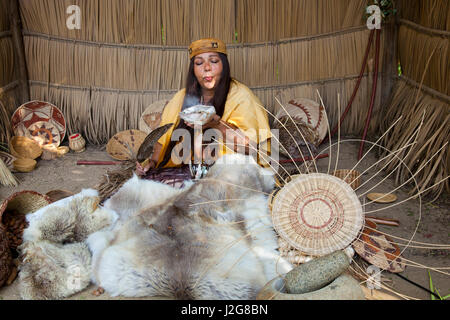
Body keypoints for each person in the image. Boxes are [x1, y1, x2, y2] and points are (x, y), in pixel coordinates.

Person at [136, 38, 271, 186]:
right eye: (199, 63)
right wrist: (152, 163)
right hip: (192, 170)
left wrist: (216, 125)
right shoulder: (181, 98)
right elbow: (164, 141)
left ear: (224, 66)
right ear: (193, 69)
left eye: (213, 61)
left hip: (232, 175)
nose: (207, 67)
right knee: (149, 187)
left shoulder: (242, 97)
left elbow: (251, 148)